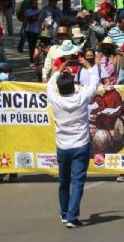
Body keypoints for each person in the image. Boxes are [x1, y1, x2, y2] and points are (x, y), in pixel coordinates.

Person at [47, 57, 99, 228]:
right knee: (77, 183)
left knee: (63, 181)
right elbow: (95, 82)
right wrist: (88, 66)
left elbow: (50, 83)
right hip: (80, 146)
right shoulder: (82, 96)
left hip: (63, 146)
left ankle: (64, 213)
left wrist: (59, 69)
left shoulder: (55, 98)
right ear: (73, 86)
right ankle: (72, 216)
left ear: (59, 88)